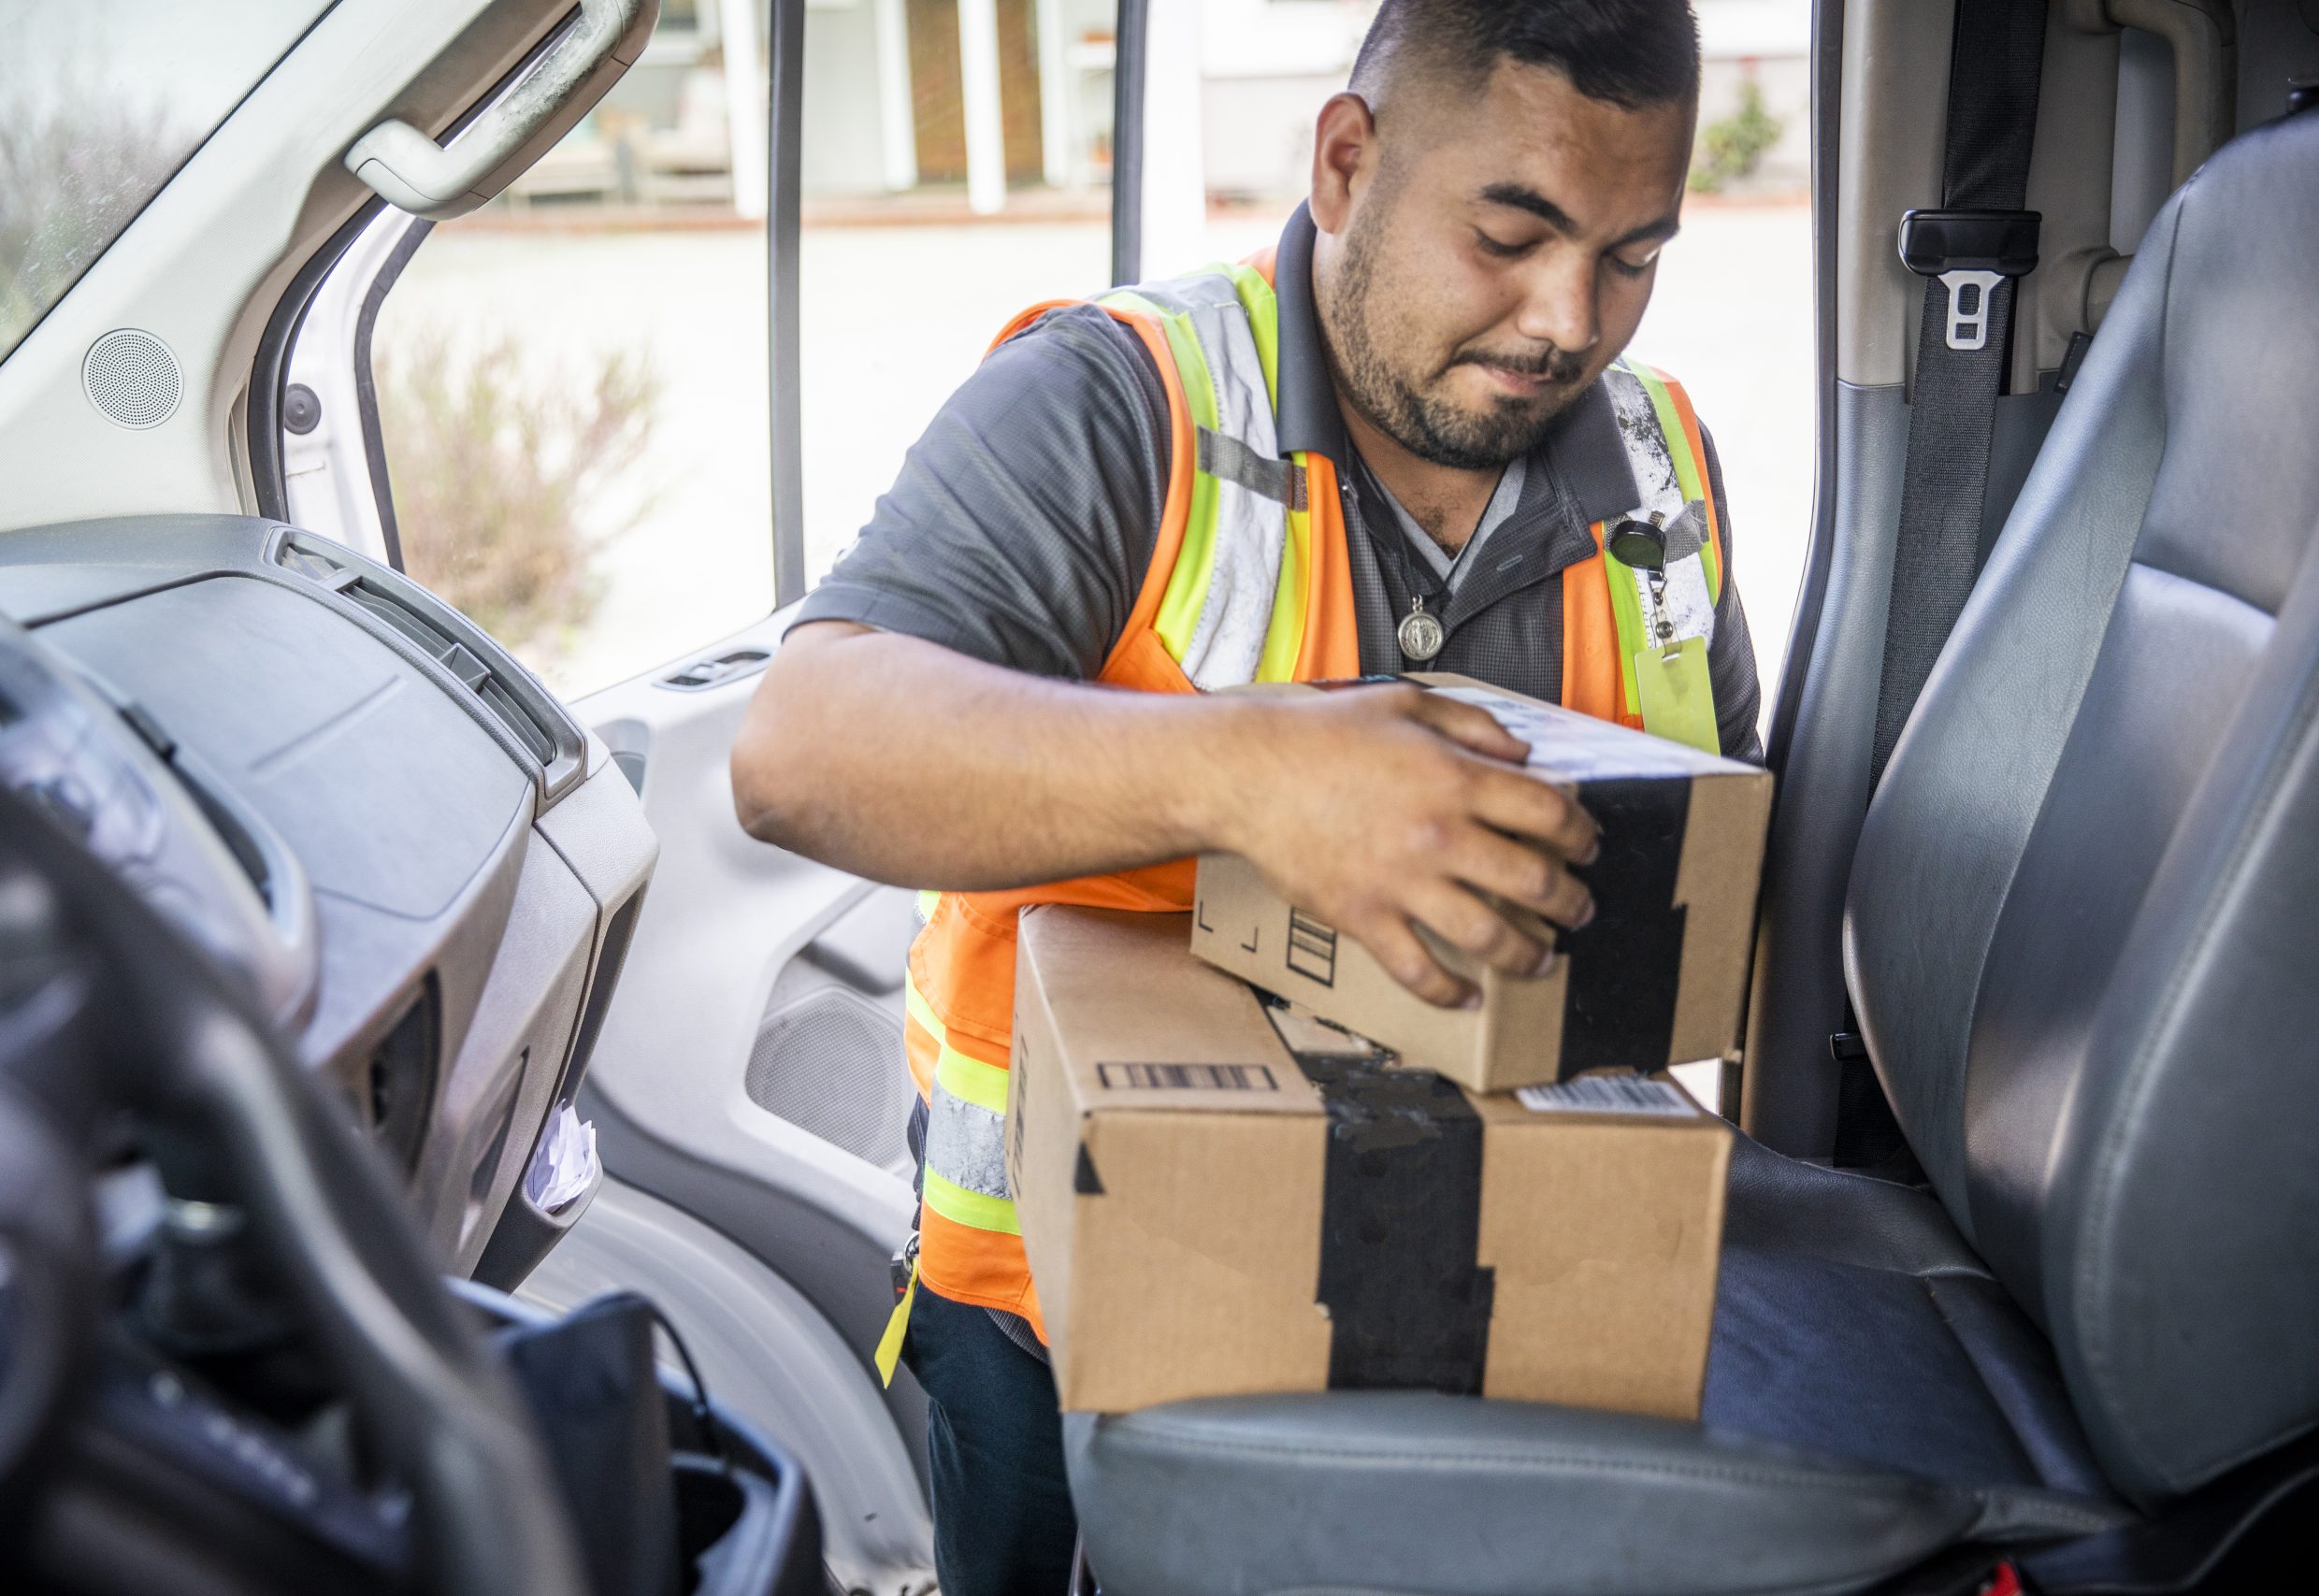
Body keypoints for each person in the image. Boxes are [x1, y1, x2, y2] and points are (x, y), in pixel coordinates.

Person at [732, 2, 1755, 1589]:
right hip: (1057, 1310)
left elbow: (1721, 864)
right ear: (1346, 163)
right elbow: (802, 751)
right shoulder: (1120, 402)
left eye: (1633, 257)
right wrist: (1252, 775)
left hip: (1514, 1287)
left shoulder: (1665, 462)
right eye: (1512, 232)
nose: (1570, 318)